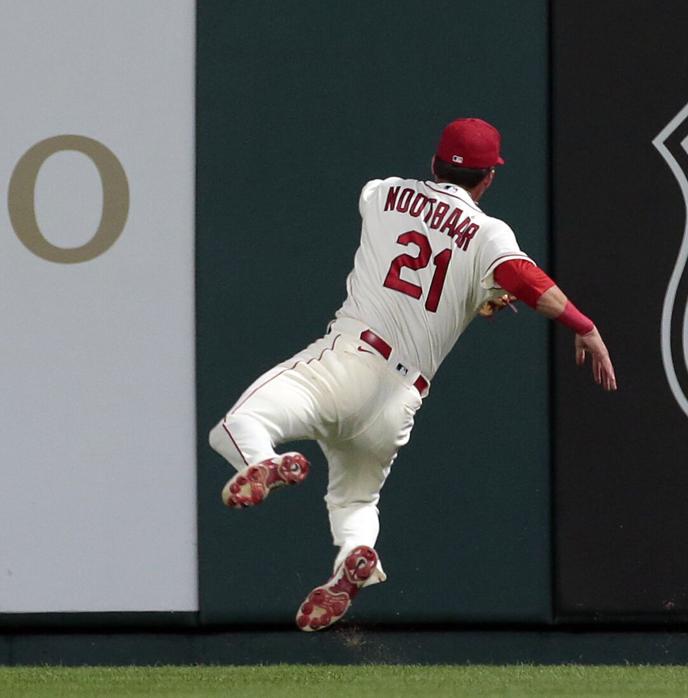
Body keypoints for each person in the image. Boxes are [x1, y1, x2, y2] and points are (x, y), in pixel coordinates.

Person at [208, 117, 616, 632]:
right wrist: (583, 325)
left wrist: (479, 290)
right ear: (489, 177)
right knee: (356, 499)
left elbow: (420, 250)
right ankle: (355, 557)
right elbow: (520, 277)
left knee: (236, 426)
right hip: (400, 400)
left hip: (348, 362)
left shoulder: (382, 193)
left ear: (434, 162)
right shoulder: (490, 234)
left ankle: (265, 462)